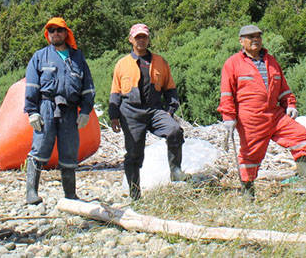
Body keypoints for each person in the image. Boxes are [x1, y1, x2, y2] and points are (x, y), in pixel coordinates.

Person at [218, 25, 306, 198]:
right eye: (250, 37)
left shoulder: (271, 61)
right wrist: (228, 117)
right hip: (250, 118)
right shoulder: (233, 63)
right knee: (250, 155)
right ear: (241, 41)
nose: (255, 39)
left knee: (299, 135)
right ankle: (248, 193)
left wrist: (290, 104)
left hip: (275, 115)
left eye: (258, 36)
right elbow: (227, 93)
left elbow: (283, 88)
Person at [110, 23, 187, 200]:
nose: (141, 40)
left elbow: (170, 89)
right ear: (131, 40)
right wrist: (114, 116)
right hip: (130, 112)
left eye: (144, 37)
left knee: (174, 130)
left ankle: (175, 170)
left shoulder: (160, 61)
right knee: (134, 154)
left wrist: (170, 109)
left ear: (148, 39)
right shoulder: (122, 64)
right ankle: (135, 195)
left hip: (154, 109)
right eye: (137, 37)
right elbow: (115, 92)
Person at [23, 17, 95, 204]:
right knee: (39, 148)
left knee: (70, 151)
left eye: (59, 30)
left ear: (66, 33)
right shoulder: (39, 56)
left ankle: (70, 195)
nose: (56, 33)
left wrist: (85, 111)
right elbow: (31, 85)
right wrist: (32, 111)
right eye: (52, 30)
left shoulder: (78, 58)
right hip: (46, 108)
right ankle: (31, 192)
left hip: (70, 111)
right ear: (48, 34)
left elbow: (88, 87)